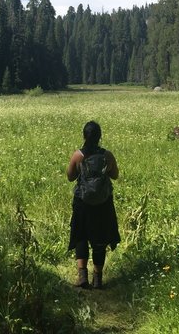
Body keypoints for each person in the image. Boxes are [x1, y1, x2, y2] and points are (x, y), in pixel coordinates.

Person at [67, 121, 120, 289]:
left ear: (84, 136)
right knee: (100, 239)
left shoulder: (78, 155)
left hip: (82, 202)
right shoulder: (107, 155)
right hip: (103, 203)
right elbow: (115, 175)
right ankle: (97, 279)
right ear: (99, 137)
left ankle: (82, 276)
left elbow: (70, 176)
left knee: (81, 235)